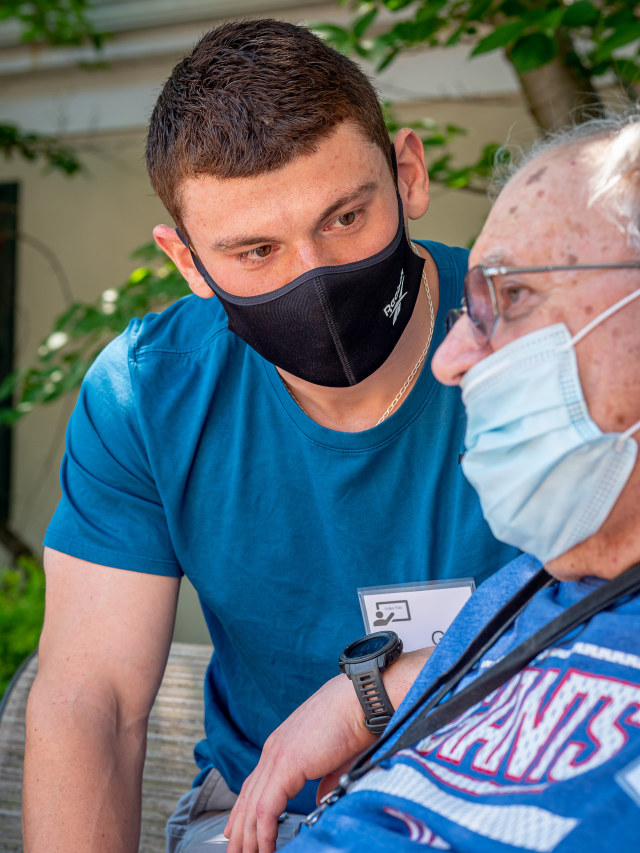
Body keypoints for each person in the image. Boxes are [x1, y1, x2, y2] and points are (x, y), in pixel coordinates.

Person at [21, 19, 518, 852]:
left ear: (408, 174)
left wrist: (377, 693)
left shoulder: (544, 339)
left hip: (519, 784)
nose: (312, 277)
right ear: (188, 262)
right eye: (255, 251)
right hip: (266, 813)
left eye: (346, 217)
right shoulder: (148, 394)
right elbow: (92, 697)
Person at [227, 113, 640, 852]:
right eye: (470, 305)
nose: (450, 361)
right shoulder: (544, 579)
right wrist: (372, 694)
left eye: (512, 298)